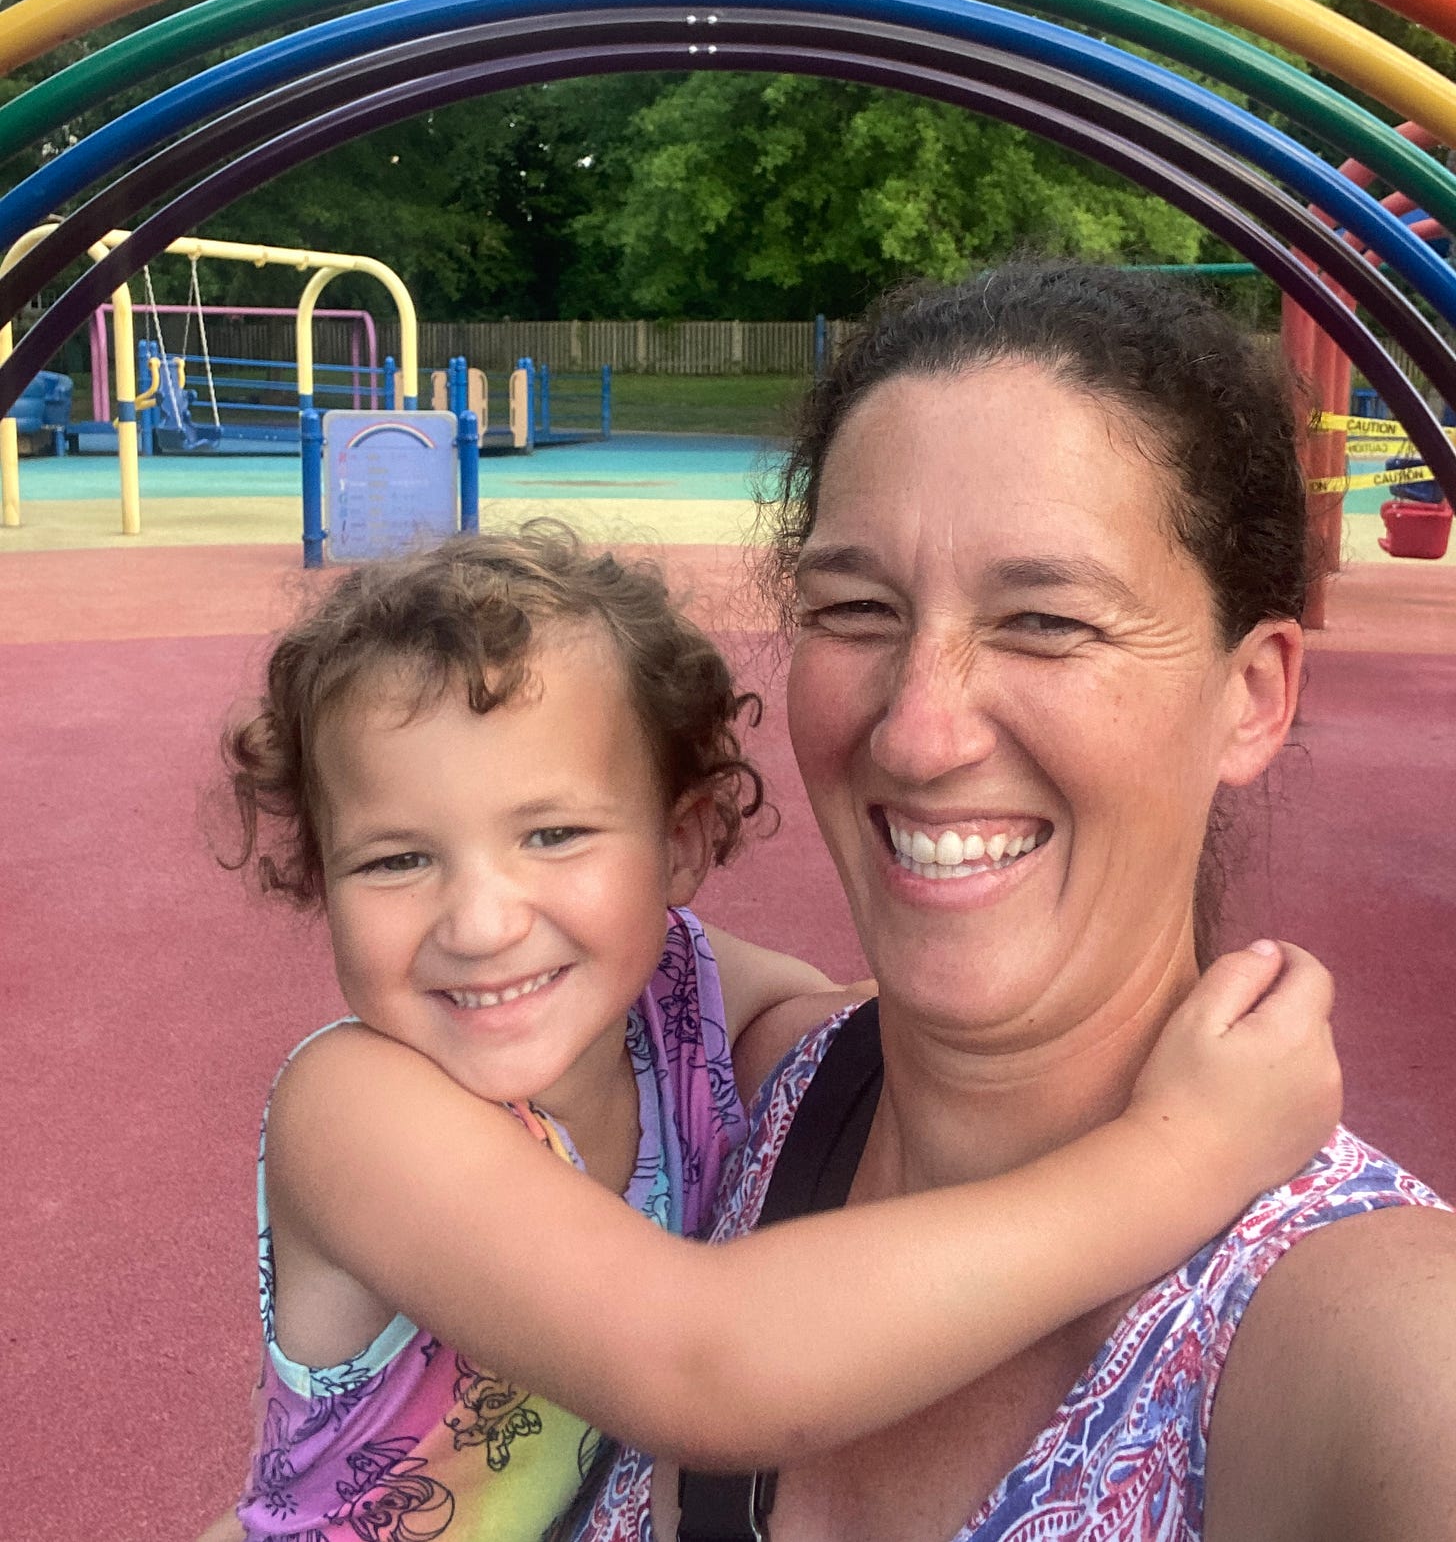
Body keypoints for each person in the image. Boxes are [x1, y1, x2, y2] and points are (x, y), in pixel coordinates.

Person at [201, 523, 1337, 1542]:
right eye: (396, 859)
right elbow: (703, 1367)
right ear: (321, 875)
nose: (482, 921)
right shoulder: (358, 1110)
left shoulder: (689, 999)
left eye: (551, 835)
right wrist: (1185, 1152)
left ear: (684, 842)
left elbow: (894, 1033)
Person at [578, 263, 1456, 1541]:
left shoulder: (1375, 1348)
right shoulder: (719, 1097)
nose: (922, 731)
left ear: (1252, 696)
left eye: (1046, 621)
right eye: (856, 609)